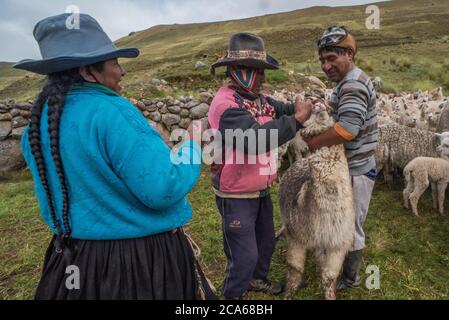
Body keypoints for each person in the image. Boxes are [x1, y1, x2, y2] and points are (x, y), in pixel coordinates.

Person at [14, 13, 215, 300]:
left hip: (72, 260)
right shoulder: (113, 112)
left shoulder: (40, 123)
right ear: (87, 70)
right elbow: (163, 186)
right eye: (115, 63)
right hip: (136, 264)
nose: (121, 72)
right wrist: (193, 143)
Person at [208, 32, 312, 299]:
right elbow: (253, 140)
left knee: (265, 242)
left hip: (259, 188)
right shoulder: (226, 105)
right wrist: (297, 120)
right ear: (238, 71)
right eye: (257, 71)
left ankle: (256, 279)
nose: (263, 78)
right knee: (244, 254)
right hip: (235, 193)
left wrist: (299, 107)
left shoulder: (259, 100)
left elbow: (284, 109)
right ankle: (233, 296)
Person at [305, 26, 378, 290]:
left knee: (351, 224)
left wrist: (313, 142)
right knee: (340, 219)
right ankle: (336, 262)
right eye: (322, 60)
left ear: (349, 53)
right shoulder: (345, 83)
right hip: (350, 166)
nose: (325, 66)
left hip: (357, 169)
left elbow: (348, 129)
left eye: (331, 58)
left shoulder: (354, 84)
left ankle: (350, 277)